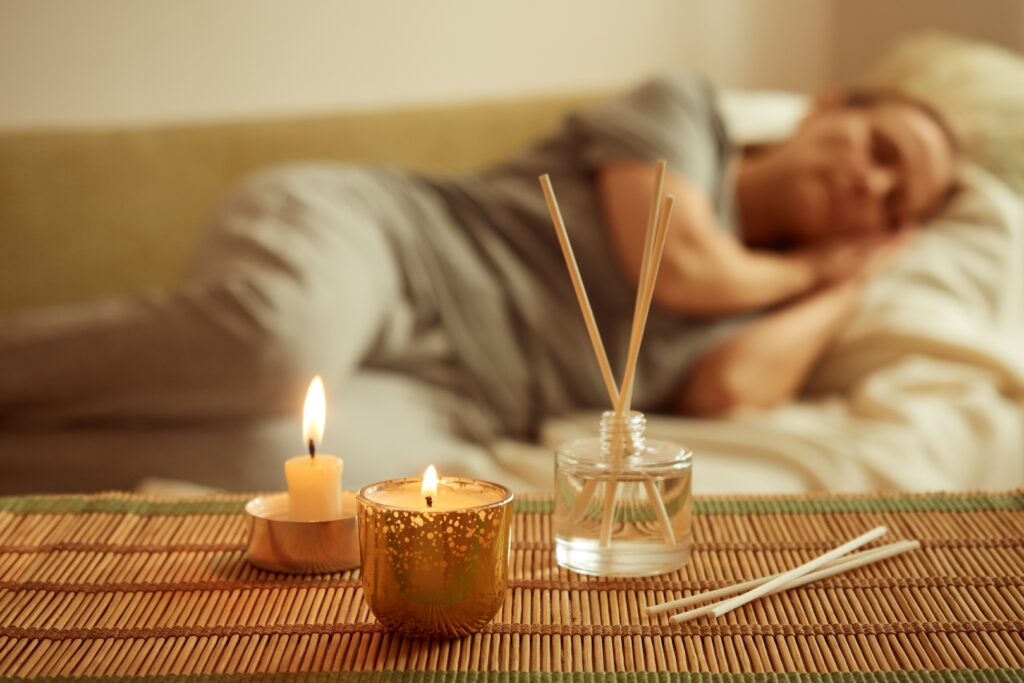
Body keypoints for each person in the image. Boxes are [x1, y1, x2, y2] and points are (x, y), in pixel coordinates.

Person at [0, 74, 957, 487]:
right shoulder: (686, 114)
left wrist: (842, 289)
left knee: (284, 473)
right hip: (390, 245)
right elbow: (675, 259)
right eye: (876, 145)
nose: (866, 184)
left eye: (893, 201)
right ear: (825, 107)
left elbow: (729, 390)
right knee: (276, 345)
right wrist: (799, 267)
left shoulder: (784, 298)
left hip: (455, 402)